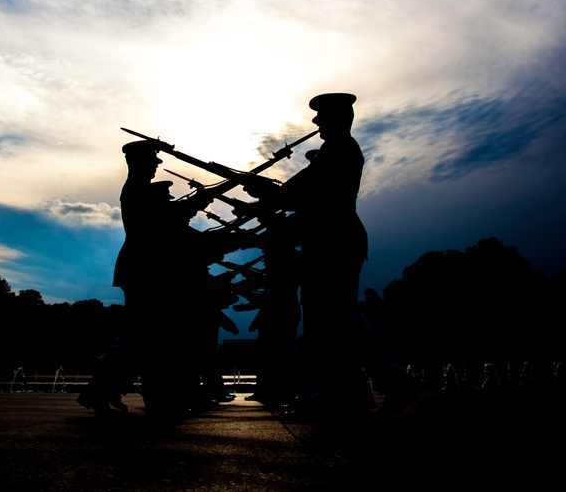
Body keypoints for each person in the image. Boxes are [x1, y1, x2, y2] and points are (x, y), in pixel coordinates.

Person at [245, 93, 414, 417]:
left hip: (334, 242)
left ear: (339, 118)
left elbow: (301, 194)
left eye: (322, 116)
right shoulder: (334, 151)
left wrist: (266, 195)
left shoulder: (338, 151)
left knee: (339, 316)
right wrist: (268, 197)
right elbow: (301, 197)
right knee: (327, 322)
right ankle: (344, 391)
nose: (316, 122)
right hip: (328, 242)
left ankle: (394, 380)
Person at [79, 140, 216, 415]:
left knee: (144, 335)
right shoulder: (137, 189)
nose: (156, 164)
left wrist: (193, 205)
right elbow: (162, 223)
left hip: (145, 269)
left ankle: (108, 391)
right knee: (141, 336)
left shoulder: (139, 190)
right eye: (152, 160)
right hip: (144, 270)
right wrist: (195, 203)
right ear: (138, 162)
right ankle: (118, 392)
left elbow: (167, 221)